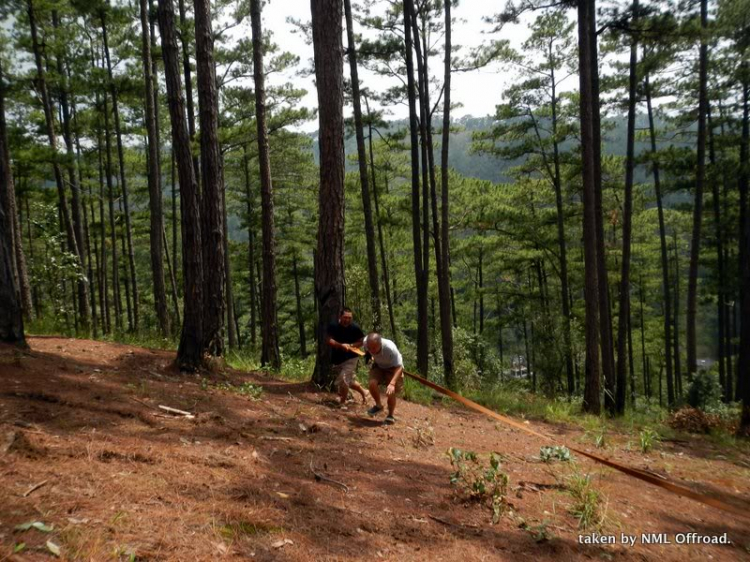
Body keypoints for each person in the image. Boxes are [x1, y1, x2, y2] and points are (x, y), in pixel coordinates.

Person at [326, 308, 367, 405]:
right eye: (345, 317)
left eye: (349, 318)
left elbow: (362, 341)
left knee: (343, 379)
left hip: (351, 358)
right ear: (340, 317)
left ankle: (342, 402)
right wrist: (341, 345)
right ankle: (364, 392)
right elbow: (328, 340)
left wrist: (351, 346)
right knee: (350, 381)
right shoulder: (333, 326)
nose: (347, 320)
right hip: (337, 359)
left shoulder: (355, 328)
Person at [363, 332, 404, 425]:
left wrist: (392, 383)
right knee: (372, 383)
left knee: (390, 391)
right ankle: (378, 405)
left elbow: (399, 367)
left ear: (380, 344)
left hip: (393, 368)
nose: (372, 350)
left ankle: (390, 415)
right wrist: (368, 354)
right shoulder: (366, 342)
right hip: (378, 366)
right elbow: (366, 349)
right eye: (370, 348)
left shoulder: (390, 348)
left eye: (374, 348)